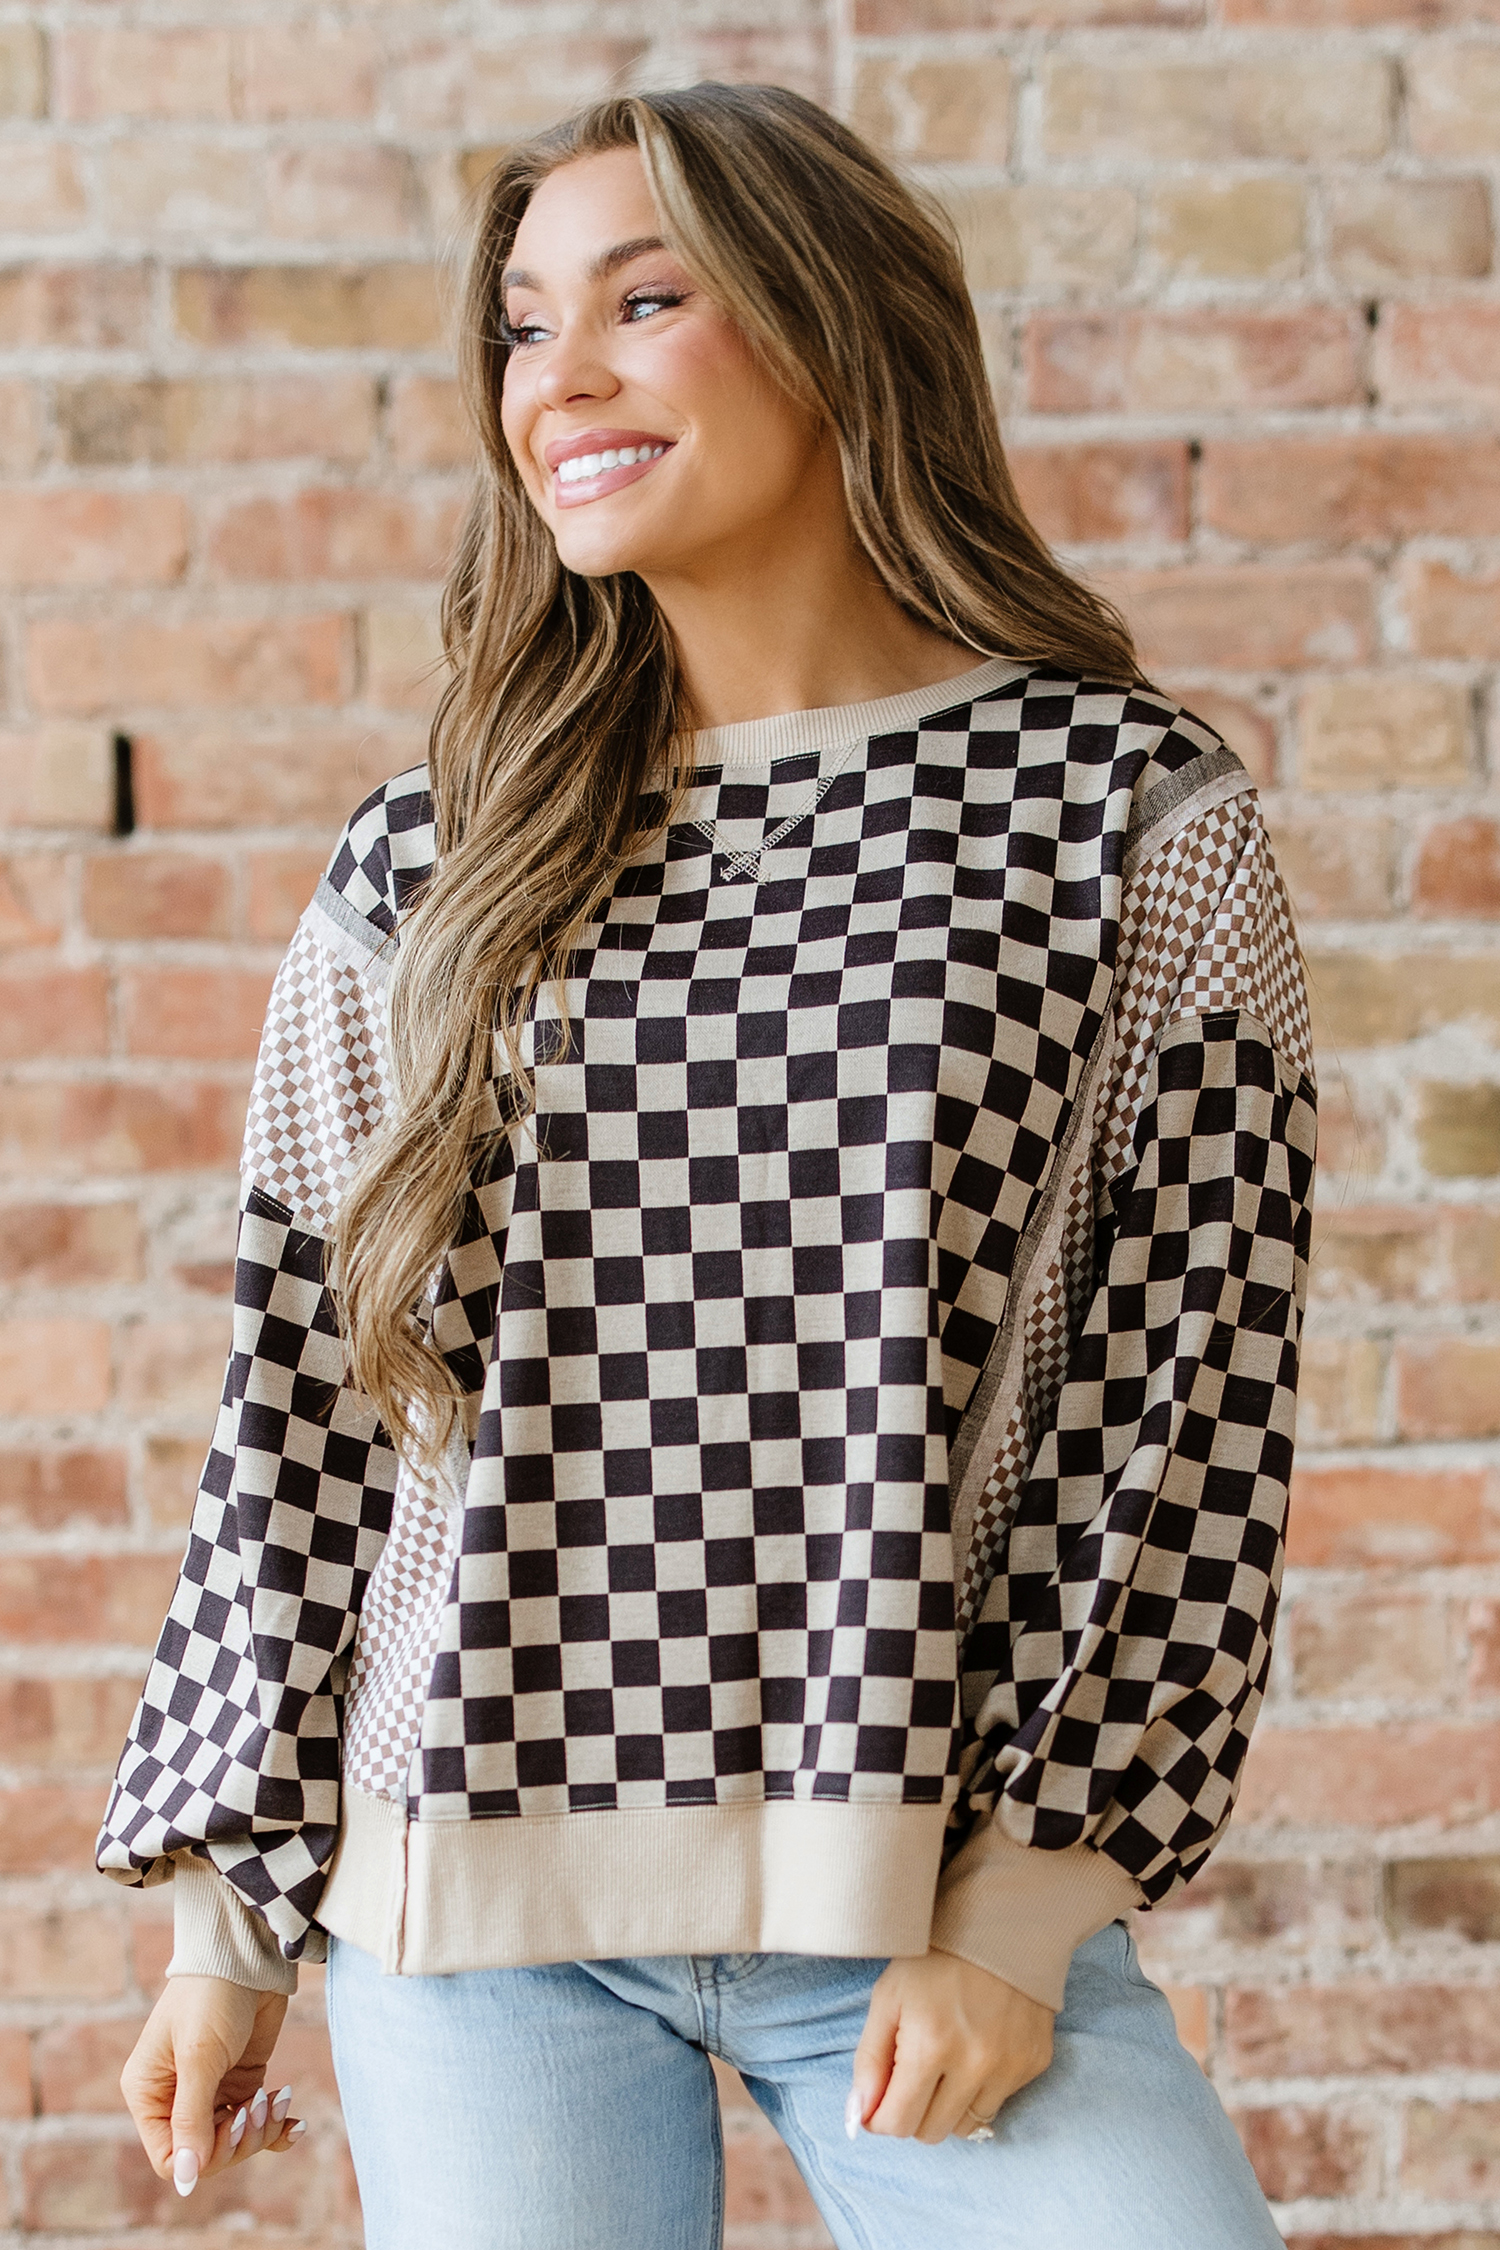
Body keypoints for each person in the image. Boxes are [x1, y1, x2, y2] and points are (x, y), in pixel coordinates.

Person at [99, 81, 1315, 2250]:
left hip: (919, 1891)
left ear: (836, 326)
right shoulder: (430, 858)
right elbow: (299, 1404)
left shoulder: (1125, 815)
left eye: (642, 303)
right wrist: (229, 1928)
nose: (556, 377)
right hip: (468, 1918)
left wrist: (1021, 1909)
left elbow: (1187, 1403)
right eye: (522, 326)